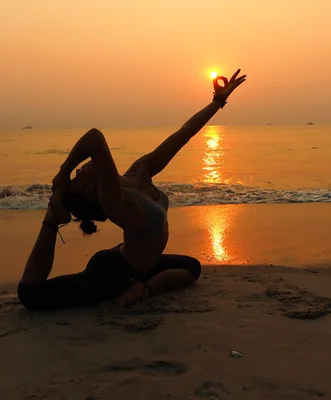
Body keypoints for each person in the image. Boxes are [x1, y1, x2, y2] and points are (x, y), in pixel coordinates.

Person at [18, 69, 247, 309]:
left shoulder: (137, 173)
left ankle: (143, 287)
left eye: (76, 171)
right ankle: (51, 221)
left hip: (125, 257)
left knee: (192, 268)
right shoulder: (114, 200)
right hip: (112, 274)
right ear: (90, 192)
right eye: (78, 175)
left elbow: (183, 135)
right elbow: (94, 138)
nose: (79, 170)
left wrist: (217, 102)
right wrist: (64, 172)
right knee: (31, 295)